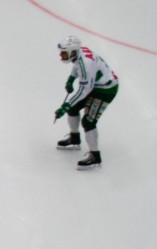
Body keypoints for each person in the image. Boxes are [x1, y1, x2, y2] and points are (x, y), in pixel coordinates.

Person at [54, 36, 119, 170]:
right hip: (96, 85)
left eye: (63, 52)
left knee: (88, 121)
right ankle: (74, 138)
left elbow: (84, 91)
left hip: (105, 90)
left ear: (72, 51)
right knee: (73, 108)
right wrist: (71, 79)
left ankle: (95, 157)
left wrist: (65, 106)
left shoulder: (87, 65)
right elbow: (77, 66)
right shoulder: (79, 53)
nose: (61, 55)